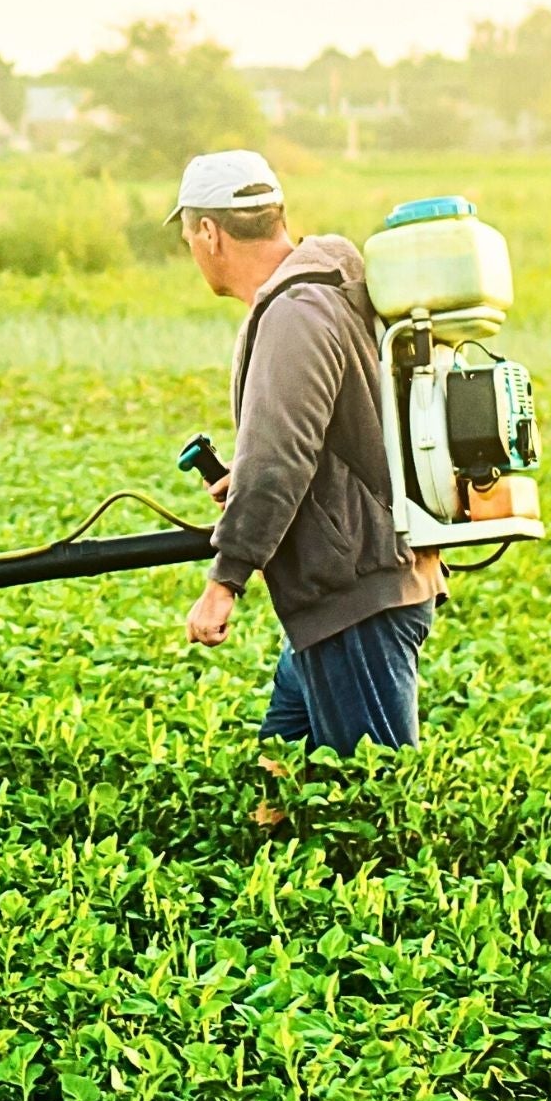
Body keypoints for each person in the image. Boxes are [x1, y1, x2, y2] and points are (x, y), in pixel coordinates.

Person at [172, 150, 444, 754]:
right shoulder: (325, 290)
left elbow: (279, 460)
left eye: (189, 235)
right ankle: (261, 837)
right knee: (281, 765)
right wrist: (243, 479)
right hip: (351, 589)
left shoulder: (296, 312)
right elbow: (321, 437)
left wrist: (225, 581)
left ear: (211, 234)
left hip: (356, 597)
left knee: (371, 796)